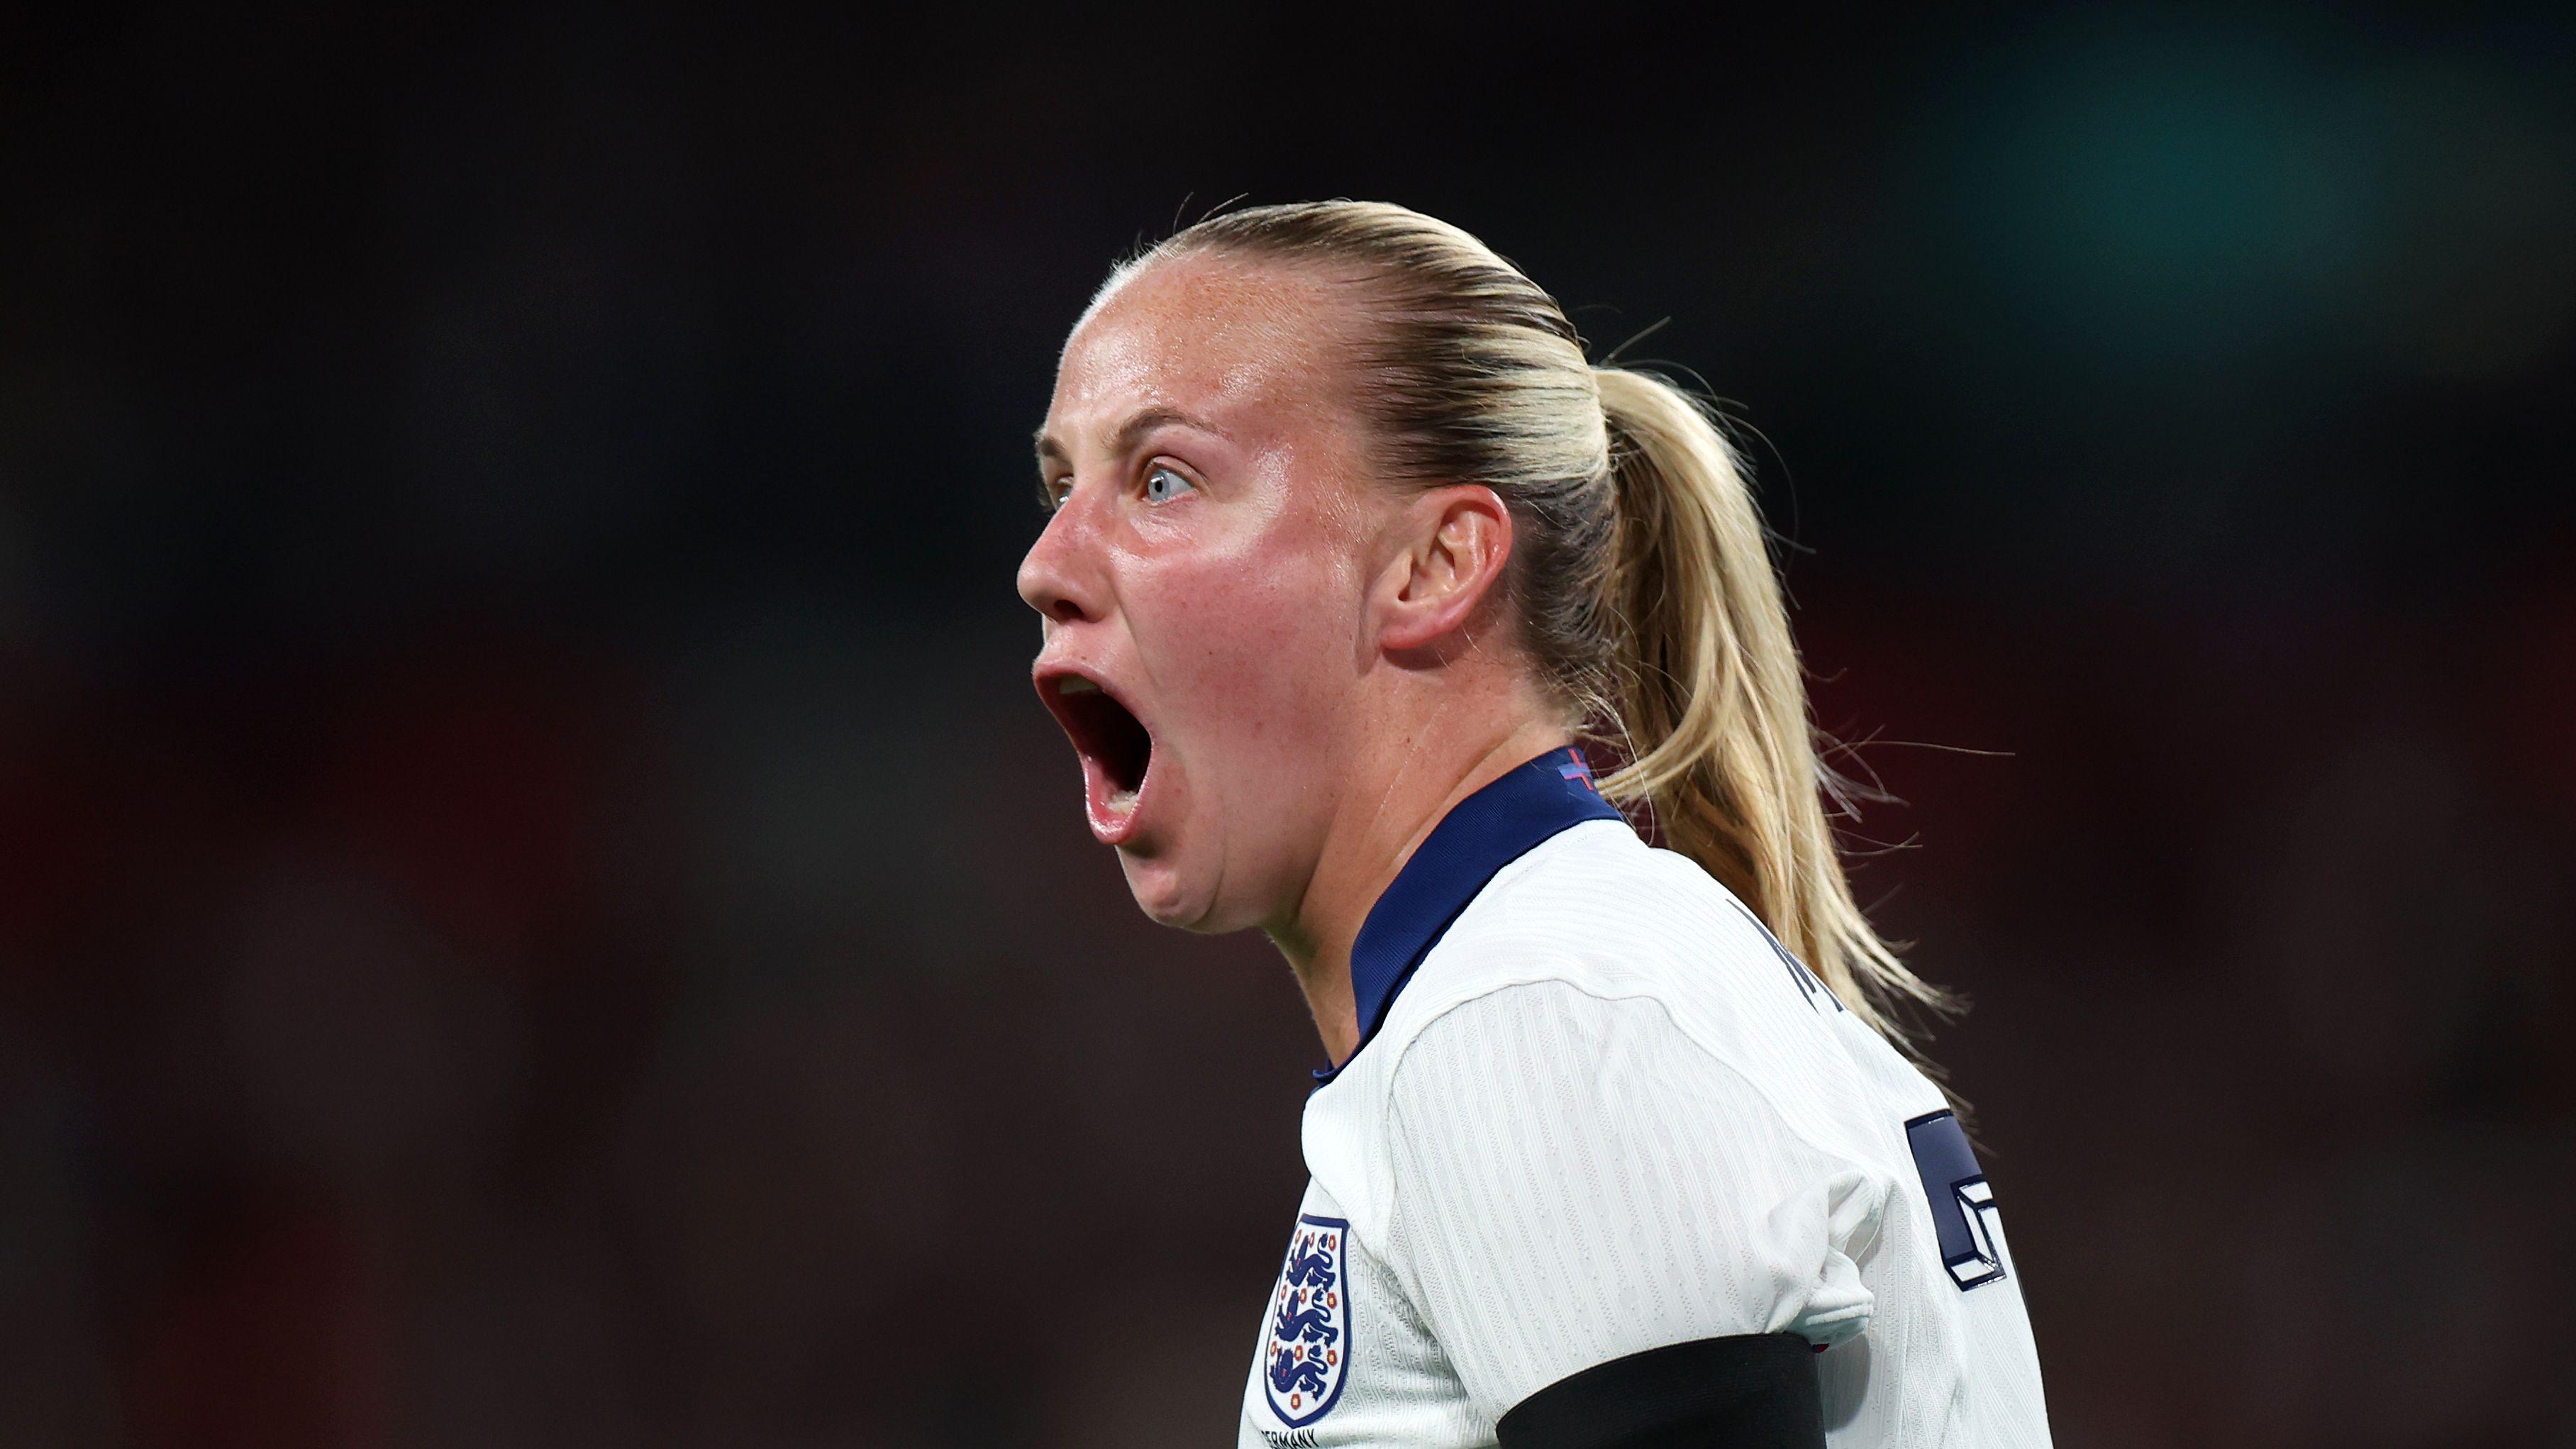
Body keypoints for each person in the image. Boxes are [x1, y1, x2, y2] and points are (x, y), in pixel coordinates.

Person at [1019, 201, 2050, 1449]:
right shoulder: (1557, 975)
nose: (1047, 561)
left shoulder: (1535, 1007)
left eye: (1163, 478)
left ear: (1436, 565)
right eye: (1062, 484)